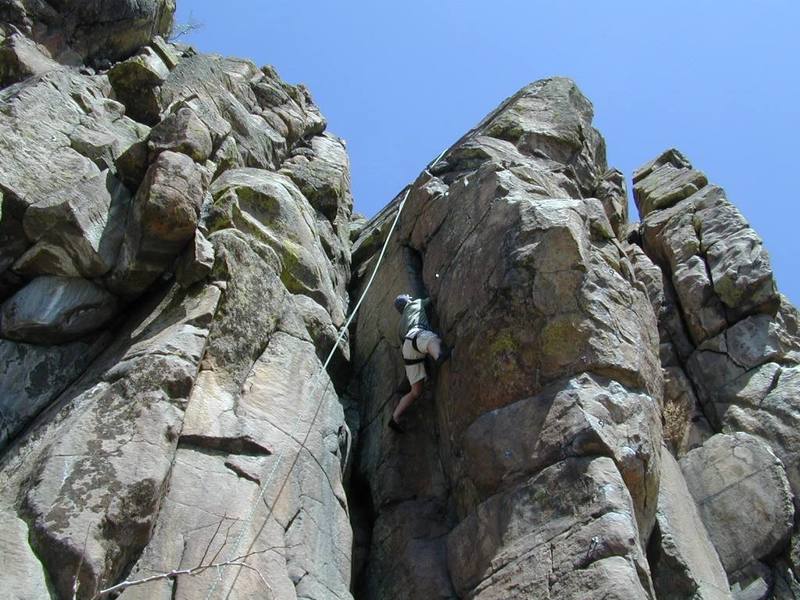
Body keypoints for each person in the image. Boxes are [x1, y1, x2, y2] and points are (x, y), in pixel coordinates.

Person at [388, 294, 451, 433]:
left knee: (415, 392)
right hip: (418, 334)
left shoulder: (400, 326)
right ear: (408, 301)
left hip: (408, 349)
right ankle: (438, 355)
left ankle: (395, 416)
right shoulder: (416, 303)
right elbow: (431, 299)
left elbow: (403, 342)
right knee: (432, 339)